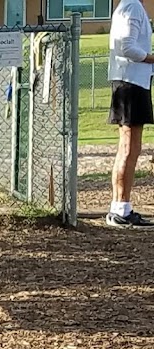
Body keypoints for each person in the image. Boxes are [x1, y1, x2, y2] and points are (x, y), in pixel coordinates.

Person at [107, 0, 154, 227]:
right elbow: (126, 47)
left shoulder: (127, 7)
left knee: (128, 147)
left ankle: (119, 206)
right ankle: (122, 209)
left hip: (132, 82)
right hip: (131, 84)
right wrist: (152, 58)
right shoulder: (133, 7)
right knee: (130, 147)